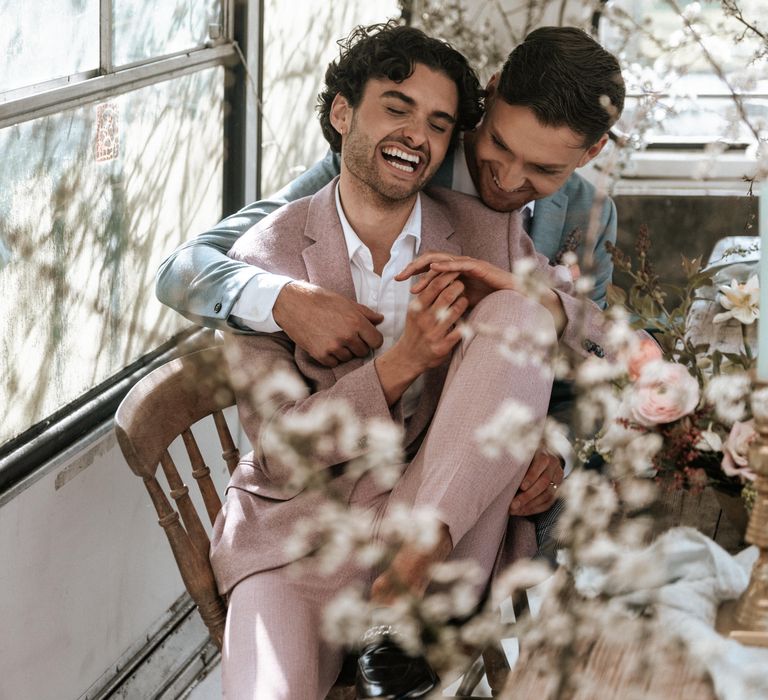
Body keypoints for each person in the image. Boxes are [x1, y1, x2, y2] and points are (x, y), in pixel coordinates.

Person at [209, 22, 609, 699]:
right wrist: (402, 363)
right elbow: (279, 452)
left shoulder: (491, 230)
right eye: (397, 108)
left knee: (520, 310)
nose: (417, 134)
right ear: (341, 113)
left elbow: (601, 344)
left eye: (439, 121)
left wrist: (523, 301)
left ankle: (411, 573)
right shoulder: (265, 262)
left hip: (443, 534)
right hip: (300, 536)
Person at [155, 25, 625, 520]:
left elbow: (591, 371)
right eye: (500, 146)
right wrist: (284, 299)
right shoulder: (390, 166)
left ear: (590, 153)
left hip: (487, 478)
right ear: (490, 93)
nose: (508, 179)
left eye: (543, 171)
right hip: (349, 464)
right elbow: (183, 269)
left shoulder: (587, 218)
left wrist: (558, 452)